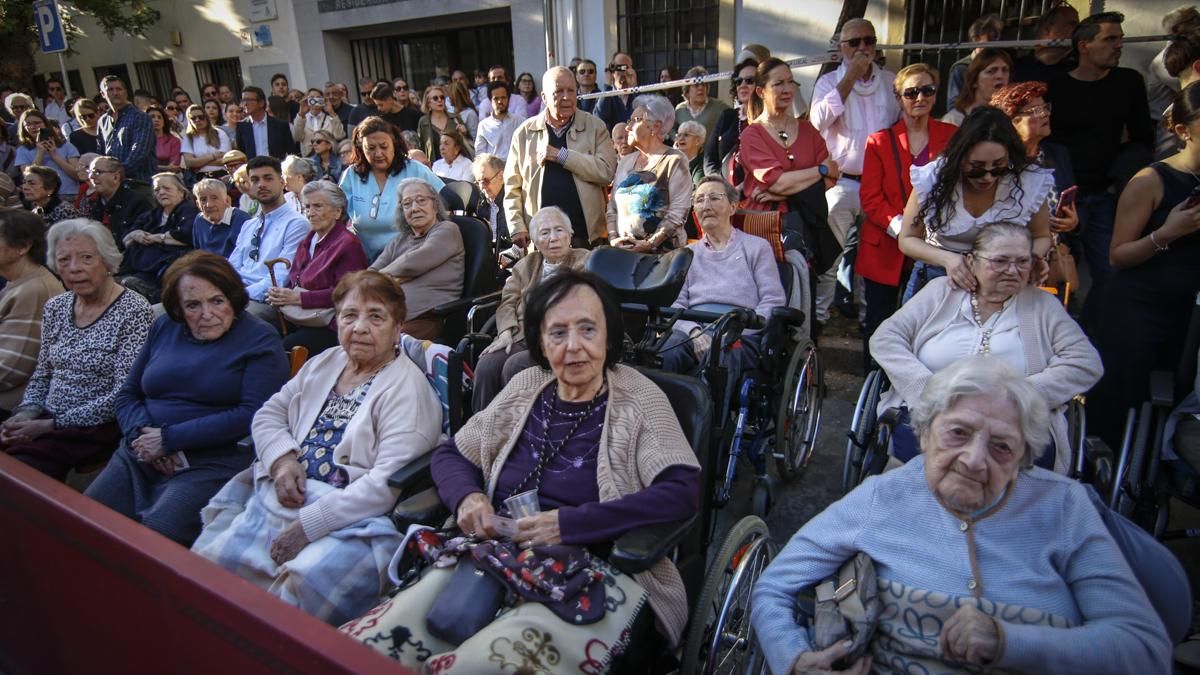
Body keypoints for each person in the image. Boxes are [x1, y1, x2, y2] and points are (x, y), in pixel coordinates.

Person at [350, 269, 699, 668]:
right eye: (558, 333)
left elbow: (681, 490)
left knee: (476, 667)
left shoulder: (639, 398)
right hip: (491, 554)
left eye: (588, 329)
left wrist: (571, 524)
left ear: (609, 335)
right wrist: (468, 497)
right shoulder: (526, 385)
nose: (574, 347)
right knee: (373, 646)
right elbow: (453, 455)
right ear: (539, 341)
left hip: (592, 571)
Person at [752, 356, 1171, 675]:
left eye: (1001, 447)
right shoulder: (883, 496)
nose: (973, 460)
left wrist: (1009, 641)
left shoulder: (1064, 508)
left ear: (1023, 458)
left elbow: (1145, 649)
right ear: (924, 432)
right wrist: (796, 659)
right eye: (958, 433)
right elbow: (773, 587)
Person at [192, 270, 443, 625]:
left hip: (352, 518)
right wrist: (281, 460)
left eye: (376, 316)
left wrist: (309, 526)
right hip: (284, 492)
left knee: (288, 601)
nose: (359, 327)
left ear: (398, 326)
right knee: (211, 571)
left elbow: (385, 486)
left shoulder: (407, 391)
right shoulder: (326, 362)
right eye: (349, 315)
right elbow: (268, 415)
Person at [85, 252, 287, 545]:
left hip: (210, 461)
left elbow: (253, 413)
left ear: (232, 298)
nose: (207, 313)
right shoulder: (165, 327)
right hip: (140, 452)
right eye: (193, 305)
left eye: (217, 301)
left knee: (156, 537)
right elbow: (129, 394)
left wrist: (169, 439)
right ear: (178, 308)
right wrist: (141, 435)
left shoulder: (259, 338)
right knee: (87, 518)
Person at [872, 222, 1102, 473]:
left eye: (1022, 262)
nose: (1012, 271)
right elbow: (886, 338)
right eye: (1000, 261)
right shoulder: (940, 292)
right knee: (919, 465)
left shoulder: (1043, 306)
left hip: (1013, 424)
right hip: (932, 413)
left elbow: (1085, 363)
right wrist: (926, 387)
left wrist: (1019, 397)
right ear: (972, 262)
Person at [1087, 81, 1200, 450]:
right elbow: (1118, 255)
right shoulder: (1152, 180)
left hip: (1188, 313)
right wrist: (1167, 233)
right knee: (1123, 406)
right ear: (1183, 131)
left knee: (1175, 405)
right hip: (1139, 310)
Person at [0, 219, 153, 480]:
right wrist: (26, 413)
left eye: (86, 258)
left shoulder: (134, 310)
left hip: (95, 428)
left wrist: (50, 425)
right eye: (64, 260)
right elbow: (43, 373)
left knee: (18, 474)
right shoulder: (56, 307)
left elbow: (123, 393)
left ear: (107, 261)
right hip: (45, 417)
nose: (74, 269)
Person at [1046, 11, 1153, 304]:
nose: (1118, 45)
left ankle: (1095, 337)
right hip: (1061, 195)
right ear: (1084, 46)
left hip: (1103, 194)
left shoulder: (1128, 82)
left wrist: (1123, 176)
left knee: (1108, 273)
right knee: (1054, 273)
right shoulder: (1057, 86)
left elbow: (1143, 137)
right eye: (1110, 39)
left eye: (1120, 39)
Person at [897, 107, 1054, 301]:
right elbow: (907, 239)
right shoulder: (934, 178)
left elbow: (1042, 236)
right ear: (960, 159)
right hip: (937, 278)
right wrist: (948, 259)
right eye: (977, 168)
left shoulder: (1027, 180)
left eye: (998, 166)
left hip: (1002, 282)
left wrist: (1028, 259)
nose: (987, 177)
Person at [858, 63, 960, 361]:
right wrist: (903, 228)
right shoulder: (879, 141)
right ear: (899, 97)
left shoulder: (952, 136)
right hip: (886, 246)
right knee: (880, 323)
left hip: (936, 244)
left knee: (929, 324)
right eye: (911, 92)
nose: (920, 98)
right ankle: (875, 392)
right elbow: (871, 197)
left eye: (927, 90)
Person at [660, 176, 786, 409]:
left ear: (733, 207)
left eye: (714, 198)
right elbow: (675, 305)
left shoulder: (756, 247)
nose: (705, 205)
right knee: (663, 353)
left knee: (721, 361)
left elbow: (772, 300)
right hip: (694, 328)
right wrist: (695, 332)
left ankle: (707, 437)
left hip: (740, 332)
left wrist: (736, 332)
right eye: (699, 200)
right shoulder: (687, 254)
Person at [810, 18, 899, 326]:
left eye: (869, 41)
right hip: (843, 182)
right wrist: (850, 78)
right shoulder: (827, 83)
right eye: (855, 42)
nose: (863, 48)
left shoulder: (891, 81)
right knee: (831, 257)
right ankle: (819, 320)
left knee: (873, 259)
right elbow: (818, 121)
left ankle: (868, 319)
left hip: (881, 186)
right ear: (841, 48)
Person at [472, 206, 588, 410]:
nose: (553, 238)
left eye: (559, 230)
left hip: (560, 339)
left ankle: (520, 432)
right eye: (544, 233)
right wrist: (506, 332)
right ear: (534, 240)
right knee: (487, 364)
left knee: (515, 366)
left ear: (570, 235)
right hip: (522, 334)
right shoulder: (527, 264)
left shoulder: (585, 260)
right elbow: (508, 300)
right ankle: (483, 430)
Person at [739, 57, 839, 267]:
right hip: (767, 227)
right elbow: (778, 181)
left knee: (805, 289)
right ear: (761, 91)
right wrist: (819, 170)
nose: (787, 89)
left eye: (790, 81)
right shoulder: (752, 135)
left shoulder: (808, 130)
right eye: (778, 84)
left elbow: (833, 175)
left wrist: (779, 191)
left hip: (807, 223)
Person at [506, 66, 617, 250]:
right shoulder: (524, 133)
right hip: (541, 239)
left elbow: (606, 172)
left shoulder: (594, 126)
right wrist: (517, 226)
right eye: (558, 92)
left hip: (586, 237)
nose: (566, 97)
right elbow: (512, 187)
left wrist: (562, 156)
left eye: (571, 90)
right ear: (544, 97)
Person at [260, 180, 368, 354]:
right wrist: (281, 295)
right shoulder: (308, 239)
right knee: (259, 335)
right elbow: (295, 279)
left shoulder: (347, 244)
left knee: (279, 351)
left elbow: (348, 294)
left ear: (337, 211)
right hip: (299, 316)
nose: (310, 213)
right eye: (307, 207)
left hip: (331, 324)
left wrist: (298, 298)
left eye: (318, 206)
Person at [368, 178, 463, 339]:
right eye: (407, 204)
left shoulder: (447, 230)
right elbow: (371, 272)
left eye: (421, 201)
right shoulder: (400, 240)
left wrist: (381, 279)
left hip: (428, 319)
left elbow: (411, 264)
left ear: (434, 204)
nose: (414, 208)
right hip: (388, 318)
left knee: (374, 343)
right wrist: (390, 278)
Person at [337, 116, 445, 260]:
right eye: (371, 148)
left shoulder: (415, 170)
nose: (378, 154)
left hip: (412, 256)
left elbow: (445, 201)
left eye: (384, 146)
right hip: (366, 261)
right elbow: (336, 213)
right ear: (361, 149)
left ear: (394, 144)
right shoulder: (352, 175)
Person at [606, 94, 692, 252]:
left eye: (636, 120)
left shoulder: (674, 160)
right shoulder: (625, 162)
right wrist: (613, 238)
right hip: (625, 254)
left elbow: (678, 212)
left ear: (656, 126)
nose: (628, 127)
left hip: (663, 258)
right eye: (628, 120)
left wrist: (650, 243)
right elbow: (612, 207)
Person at [0, 210, 64, 415]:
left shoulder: (34, 290)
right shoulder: (18, 283)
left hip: (11, 408)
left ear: (23, 247)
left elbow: (11, 368)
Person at [227, 156, 310, 304]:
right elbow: (231, 268)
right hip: (236, 294)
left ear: (282, 181)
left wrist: (237, 296)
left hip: (266, 301)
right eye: (255, 180)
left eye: (268, 178)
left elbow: (280, 278)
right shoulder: (249, 225)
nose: (261, 185)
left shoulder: (297, 224)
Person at [116, 172, 199, 301]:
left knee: (129, 284)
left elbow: (186, 235)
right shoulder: (152, 214)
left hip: (163, 274)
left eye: (166, 188)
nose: (161, 192)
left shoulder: (189, 211)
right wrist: (136, 234)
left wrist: (158, 238)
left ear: (181, 192)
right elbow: (126, 238)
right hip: (139, 267)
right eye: (157, 189)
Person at [1149, 7, 1200, 159]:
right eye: (1193, 20)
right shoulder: (1164, 60)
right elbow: (1190, 92)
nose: (1198, 22)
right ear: (1176, 29)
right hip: (1168, 125)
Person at [705, 58, 759, 181]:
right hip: (726, 191)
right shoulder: (727, 116)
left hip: (756, 191)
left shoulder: (767, 120)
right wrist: (720, 185)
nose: (743, 85)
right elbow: (709, 159)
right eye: (739, 81)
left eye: (750, 81)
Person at [85, 155, 156, 246]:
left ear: (116, 177)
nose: (91, 176)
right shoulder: (93, 202)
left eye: (97, 172)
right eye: (90, 172)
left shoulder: (138, 202)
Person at [97, 76, 156, 183]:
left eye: (119, 89)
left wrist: (118, 173)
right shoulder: (102, 121)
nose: (115, 93)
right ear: (102, 94)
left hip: (139, 182)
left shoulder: (140, 117)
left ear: (125, 92)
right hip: (112, 183)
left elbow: (140, 150)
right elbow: (101, 152)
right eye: (110, 89)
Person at [13, 110, 81, 199]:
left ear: (45, 124)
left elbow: (77, 175)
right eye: (28, 124)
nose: (33, 126)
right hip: (41, 197)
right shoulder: (23, 150)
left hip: (69, 193)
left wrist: (54, 155)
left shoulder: (66, 146)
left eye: (37, 123)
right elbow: (28, 176)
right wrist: (40, 153)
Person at [941, 48, 1012, 126]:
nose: (1000, 76)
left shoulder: (1011, 117)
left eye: (1005, 70)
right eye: (991, 71)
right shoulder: (954, 120)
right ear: (974, 81)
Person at [945, 14, 1004, 105]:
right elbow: (954, 104)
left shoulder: (1003, 66)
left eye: (997, 33)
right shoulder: (961, 68)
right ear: (977, 37)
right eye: (991, 32)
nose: (996, 38)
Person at [191, 177, 250, 257]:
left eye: (214, 198)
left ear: (227, 200)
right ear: (198, 204)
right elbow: (199, 253)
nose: (209, 205)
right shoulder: (199, 220)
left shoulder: (241, 220)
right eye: (203, 200)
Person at [236, 86, 298, 160]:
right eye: (243, 100)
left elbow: (291, 152)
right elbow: (242, 153)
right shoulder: (242, 127)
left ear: (261, 103)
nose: (245, 104)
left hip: (275, 168)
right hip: (253, 168)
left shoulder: (280, 125)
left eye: (249, 100)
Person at [674, 66, 729, 142]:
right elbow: (671, 129)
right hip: (685, 153)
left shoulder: (719, 106)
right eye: (696, 85)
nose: (701, 88)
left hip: (709, 153)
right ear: (687, 90)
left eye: (704, 84)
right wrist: (676, 139)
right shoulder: (680, 109)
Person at [416, 85, 467, 163]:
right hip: (434, 166)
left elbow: (465, 142)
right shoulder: (423, 122)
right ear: (428, 103)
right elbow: (421, 146)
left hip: (457, 165)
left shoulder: (455, 118)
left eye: (442, 97)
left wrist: (464, 133)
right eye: (435, 98)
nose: (440, 100)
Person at [181, 104, 233, 181]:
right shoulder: (188, 138)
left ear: (206, 117)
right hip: (200, 178)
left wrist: (199, 163)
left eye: (201, 117)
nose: (197, 120)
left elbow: (227, 159)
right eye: (193, 118)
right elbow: (189, 162)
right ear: (189, 121)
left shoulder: (220, 133)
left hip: (222, 175)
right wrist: (214, 156)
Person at [474, 81, 523, 161]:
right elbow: (480, 155)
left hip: (516, 168)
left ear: (508, 99)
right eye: (496, 98)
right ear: (490, 101)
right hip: (494, 170)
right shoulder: (483, 126)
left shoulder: (520, 121)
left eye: (503, 97)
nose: (500, 101)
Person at [292, 88, 346, 157]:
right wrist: (301, 112)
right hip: (309, 159)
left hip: (329, 157)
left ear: (323, 100)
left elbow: (340, 136)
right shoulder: (301, 119)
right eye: (311, 98)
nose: (314, 101)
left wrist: (331, 112)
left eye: (318, 98)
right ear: (307, 100)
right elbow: (297, 137)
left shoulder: (330, 118)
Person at [595, 51, 638, 131]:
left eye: (626, 67)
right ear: (612, 70)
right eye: (619, 67)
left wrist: (634, 88)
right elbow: (601, 117)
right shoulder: (605, 95)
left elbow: (642, 115)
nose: (623, 72)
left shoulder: (635, 94)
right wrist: (607, 85)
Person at [147, 105, 182, 175]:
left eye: (159, 117)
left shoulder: (174, 141)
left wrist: (154, 167)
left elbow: (173, 167)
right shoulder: (141, 141)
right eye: (152, 117)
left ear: (164, 122)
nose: (156, 119)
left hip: (168, 177)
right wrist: (166, 167)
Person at [674, 119, 707, 186]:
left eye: (686, 135)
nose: (681, 138)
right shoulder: (673, 160)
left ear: (697, 141)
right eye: (679, 135)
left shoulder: (703, 164)